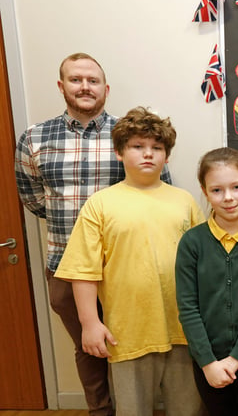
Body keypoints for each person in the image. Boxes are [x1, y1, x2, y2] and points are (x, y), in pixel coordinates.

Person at [14, 53, 170, 416]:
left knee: (129, 346)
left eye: (93, 80)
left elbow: (156, 191)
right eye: (75, 79)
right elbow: (33, 197)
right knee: (89, 347)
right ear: (61, 86)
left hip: (126, 268)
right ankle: (101, 411)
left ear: (105, 89)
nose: (85, 87)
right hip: (66, 267)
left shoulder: (129, 137)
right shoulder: (35, 139)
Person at [54, 107, 204, 415]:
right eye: (138, 146)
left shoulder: (184, 201)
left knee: (187, 407)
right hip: (127, 334)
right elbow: (84, 271)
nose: (148, 154)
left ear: (166, 155)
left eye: (157, 148)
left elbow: (205, 261)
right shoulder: (101, 204)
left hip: (183, 330)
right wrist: (89, 323)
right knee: (132, 409)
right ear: (120, 152)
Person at [176, 147, 238, 416]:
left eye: (236, 187)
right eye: (217, 190)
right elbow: (188, 307)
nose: (228, 197)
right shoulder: (192, 243)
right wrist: (208, 362)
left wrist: (234, 360)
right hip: (207, 361)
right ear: (205, 191)